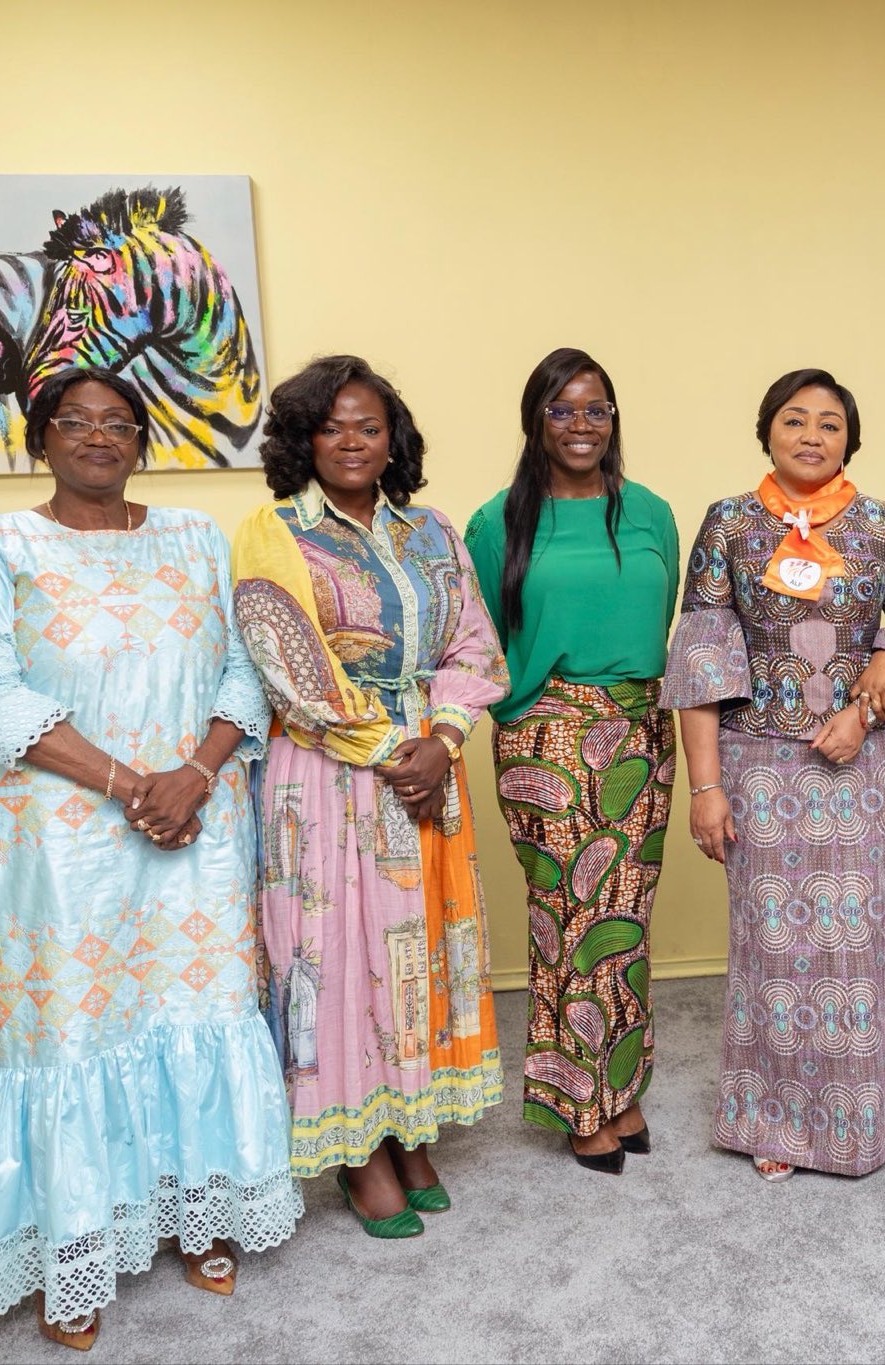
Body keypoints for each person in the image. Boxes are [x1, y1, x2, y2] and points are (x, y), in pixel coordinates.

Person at [0, 367, 299, 1351]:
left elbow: (244, 671)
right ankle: (76, 1247)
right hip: (59, 846)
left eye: (118, 422)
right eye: (75, 421)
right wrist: (130, 783)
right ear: (40, 439)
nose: (98, 436)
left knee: (196, 1012)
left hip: (195, 828)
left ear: (142, 440)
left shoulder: (195, 537)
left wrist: (194, 774)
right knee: (70, 1034)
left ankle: (198, 1213)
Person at [231, 355, 510, 1234]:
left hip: (428, 765)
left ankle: (405, 1124)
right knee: (339, 954)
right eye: (331, 426)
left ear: (394, 439)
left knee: (414, 952)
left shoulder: (432, 530)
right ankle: (357, 1151)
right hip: (330, 771)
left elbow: (474, 644)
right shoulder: (273, 531)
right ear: (302, 439)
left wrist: (445, 739)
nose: (351, 441)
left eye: (369, 425)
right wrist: (399, 749)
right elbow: (290, 667)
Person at [661, 367, 885, 1181]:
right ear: (767, 431)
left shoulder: (880, 524)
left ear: (850, 440)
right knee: (771, 945)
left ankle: (864, 1120)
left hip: (860, 765)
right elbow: (701, 656)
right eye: (795, 419)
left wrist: (867, 706)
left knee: (851, 943)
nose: (812, 435)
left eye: (830, 423)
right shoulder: (728, 522)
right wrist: (705, 787)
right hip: (756, 766)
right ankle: (778, 1122)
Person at [464, 349, 679, 1174]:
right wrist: (528, 714)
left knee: (627, 917)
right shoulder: (498, 523)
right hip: (549, 737)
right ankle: (577, 1101)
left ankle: (619, 1086)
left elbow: (661, 617)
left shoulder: (651, 513)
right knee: (569, 918)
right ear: (536, 421)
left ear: (614, 419)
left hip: (642, 731)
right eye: (562, 409)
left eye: (596, 408)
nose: (581, 424)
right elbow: (480, 637)